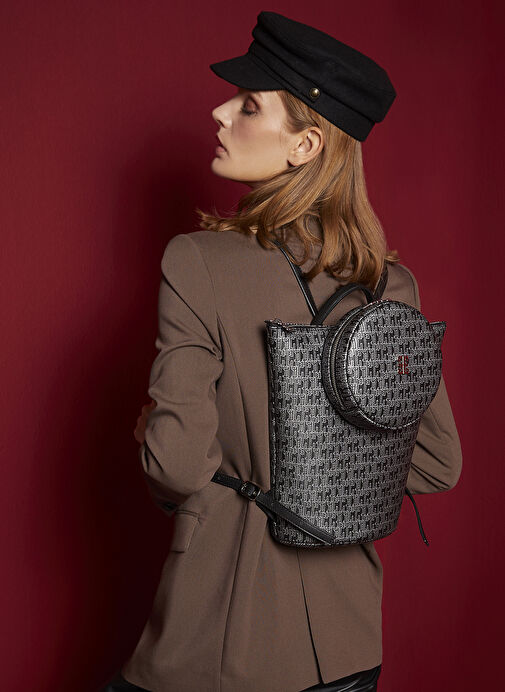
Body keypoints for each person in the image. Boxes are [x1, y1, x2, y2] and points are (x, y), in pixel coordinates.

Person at [100, 11, 462, 692]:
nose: (220, 112)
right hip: (350, 640)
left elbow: (177, 465)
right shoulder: (390, 285)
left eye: (248, 104)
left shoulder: (198, 261)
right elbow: (439, 464)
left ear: (305, 145)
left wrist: (153, 434)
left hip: (222, 642)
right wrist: (332, 470)